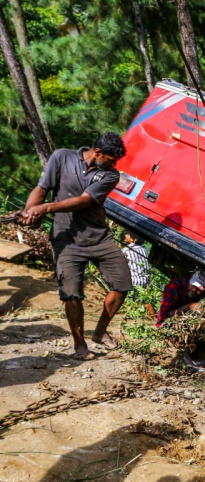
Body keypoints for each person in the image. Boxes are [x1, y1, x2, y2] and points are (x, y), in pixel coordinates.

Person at [22, 132, 130, 360]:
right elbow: (41, 189)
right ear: (97, 152)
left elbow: (84, 201)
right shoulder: (62, 157)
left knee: (122, 286)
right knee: (71, 294)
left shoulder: (110, 175)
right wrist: (29, 212)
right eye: (111, 159)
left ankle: (100, 331)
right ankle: (80, 345)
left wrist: (46, 208)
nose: (113, 165)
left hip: (100, 238)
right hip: (66, 239)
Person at [157, 270, 205, 366]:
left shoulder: (200, 294)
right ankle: (184, 352)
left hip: (185, 321)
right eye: (194, 286)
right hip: (167, 324)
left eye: (199, 290)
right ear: (190, 279)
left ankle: (191, 352)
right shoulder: (174, 286)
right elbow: (166, 315)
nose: (195, 290)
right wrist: (189, 306)